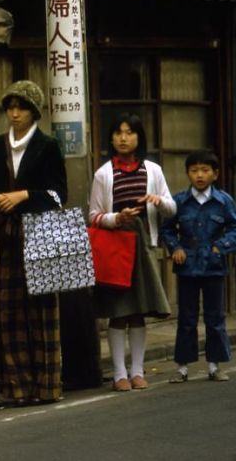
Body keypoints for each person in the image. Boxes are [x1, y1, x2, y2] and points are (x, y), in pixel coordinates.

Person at [0, 80, 67, 406]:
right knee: (11, 310)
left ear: (34, 112)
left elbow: (60, 193)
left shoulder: (48, 146)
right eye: (11, 108)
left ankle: (47, 386)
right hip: (8, 235)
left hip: (41, 232)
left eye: (22, 108)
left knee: (43, 311)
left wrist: (25, 195)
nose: (14, 114)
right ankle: (17, 387)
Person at [88, 113, 173, 392]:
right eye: (118, 133)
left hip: (144, 246)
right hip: (115, 249)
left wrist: (158, 201)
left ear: (139, 137)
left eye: (129, 132)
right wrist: (116, 218)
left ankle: (137, 370)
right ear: (111, 138)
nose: (123, 138)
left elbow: (172, 208)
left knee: (138, 312)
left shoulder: (153, 171)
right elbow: (94, 216)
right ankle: (118, 374)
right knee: (118, 312)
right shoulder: (103, 174)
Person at [160, 150, 236, 383]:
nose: (199, 175)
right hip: (186, 267)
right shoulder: (179, 201)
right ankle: (182, 367)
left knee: (215, 318)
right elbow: (167, 228)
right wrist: (175, 248)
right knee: (186, 318)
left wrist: (221, 247)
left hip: (213, 267)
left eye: (205, 170)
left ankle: (214, 366)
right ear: (187, 173)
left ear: (215, 174)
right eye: (194, 170)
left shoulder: (223, 201)